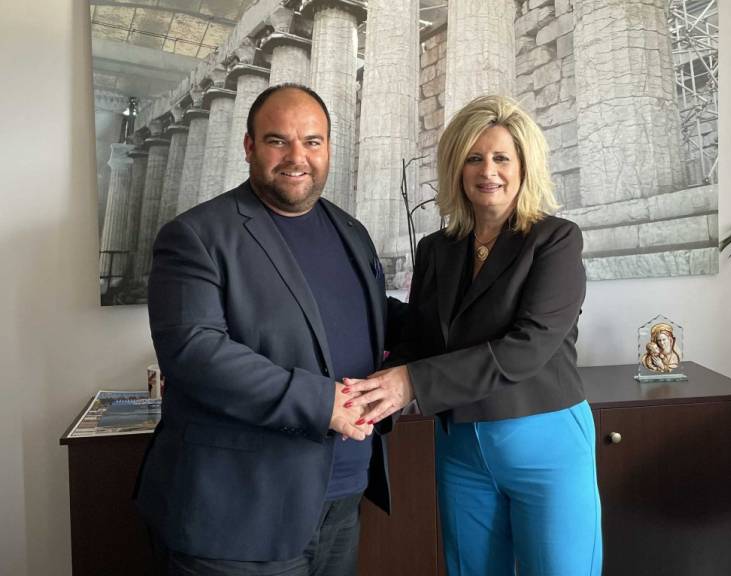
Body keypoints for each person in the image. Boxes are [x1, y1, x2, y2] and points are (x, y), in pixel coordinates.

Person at [135, 83, 404, 576]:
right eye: (278, 140)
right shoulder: (196, 235)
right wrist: (323, 402)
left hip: (343, 498)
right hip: (239, 515)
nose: (297, 157)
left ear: (328, 148)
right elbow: (194, 351)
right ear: (249, 146)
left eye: (312, 141)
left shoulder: (351, 232)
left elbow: (372, 320)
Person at [344, 95, 602, 575]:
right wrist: (373, 393)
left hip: (545, 444)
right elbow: (420, 340)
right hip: (460, 449)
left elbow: (528, 347)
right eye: (474, 158)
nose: (488, 171)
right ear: (456, 168)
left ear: (524, 166)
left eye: (502, 157)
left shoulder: (556, 239)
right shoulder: (435, 249)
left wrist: (411, 382)